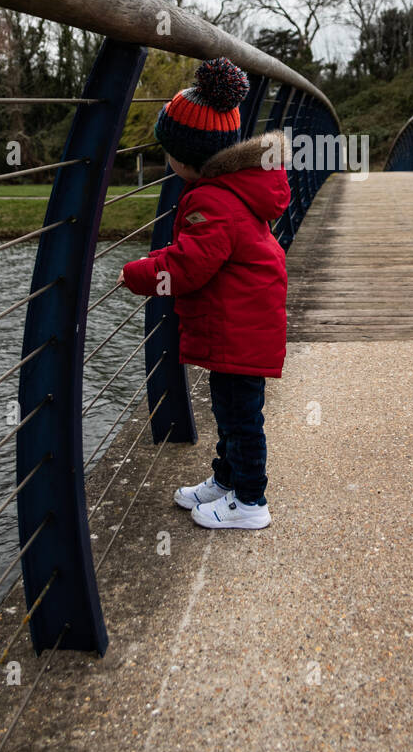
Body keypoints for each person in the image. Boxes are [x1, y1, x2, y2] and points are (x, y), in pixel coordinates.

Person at [118, 57, 290, 529]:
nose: (168, 164)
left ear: (190, 158)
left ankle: (251, 503)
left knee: (240, 417)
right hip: (242, 322)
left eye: (170, 155)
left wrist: (138, 274)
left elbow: (188, 267)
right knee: (231, 408)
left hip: (239, 328)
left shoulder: (213, 200)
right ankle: (226, 480)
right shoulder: (230, 188)